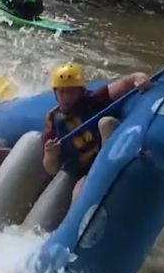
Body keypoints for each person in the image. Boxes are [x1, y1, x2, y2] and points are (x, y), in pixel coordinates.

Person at [42, 64, 150, 201]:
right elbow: (51, 169)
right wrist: (51, 154)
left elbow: (127, 83)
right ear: (55, 93)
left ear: (81, 91)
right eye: (62, 92)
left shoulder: (93, 100)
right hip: (84, 172)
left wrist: (139, 77)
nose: (66, 97)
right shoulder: (53, 121)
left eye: (71, 91)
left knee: (106, 123)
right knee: (79, 190)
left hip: (107, 157)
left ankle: (112, 170)